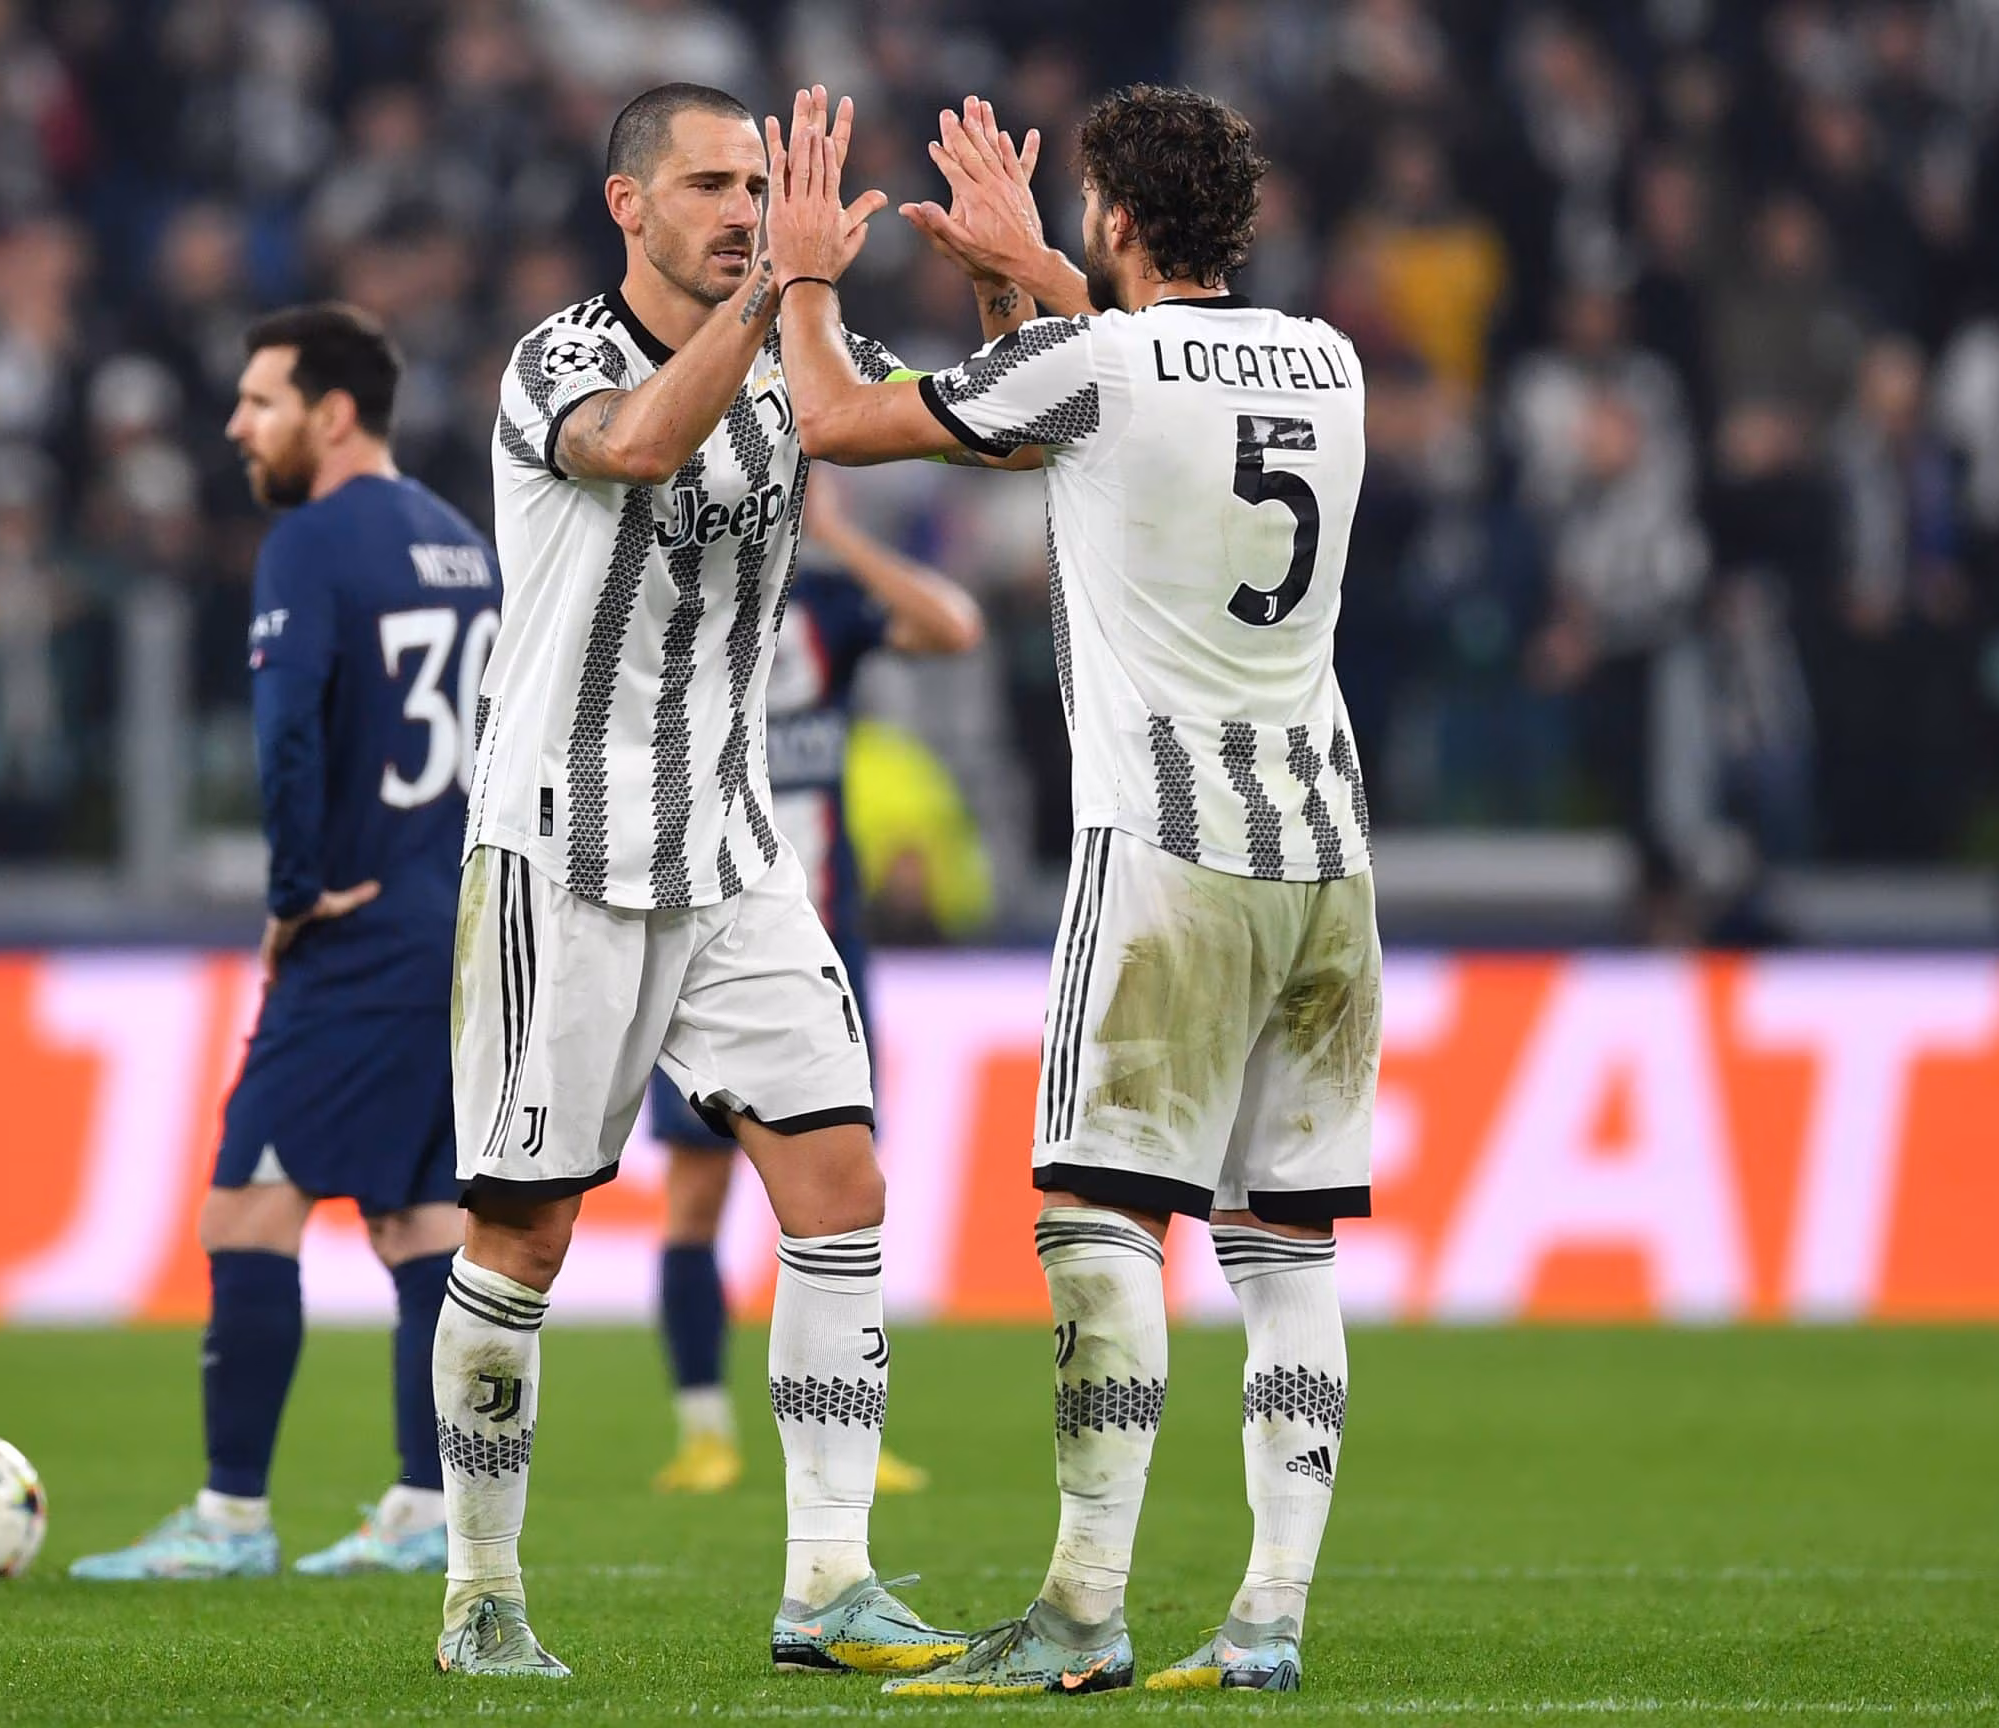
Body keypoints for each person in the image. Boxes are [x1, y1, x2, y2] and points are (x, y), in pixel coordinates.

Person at [771, 86, 1380, 1695]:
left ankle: (1085, 1607)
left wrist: (808, 276)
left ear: (1112, 218)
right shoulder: (1329, 360)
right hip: (1328, 856)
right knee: (1285, 1255)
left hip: (1171, 856)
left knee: (1099, 1222)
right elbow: (1116, 402)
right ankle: (1267, 1622)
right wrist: (1025, 281)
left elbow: (835, 420)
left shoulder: (1098, 364)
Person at [429, 82, 1005, 1681]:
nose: (745, 209)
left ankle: (830, 1582)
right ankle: (481, 1592)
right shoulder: (557, 359)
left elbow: (999, 428)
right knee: (524, 1236)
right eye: (710, 185)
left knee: (841, 1189)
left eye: (761, 184)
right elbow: (634, 445)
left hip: (737, 850)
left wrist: (1014, 288)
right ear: (629, 205)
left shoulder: (801, 348)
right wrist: (779, 298)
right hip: (564, 849)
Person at [70, 303, 501, 1581]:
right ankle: (425, 1508)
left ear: (332, 412)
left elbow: (287, 731)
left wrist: (294, 890)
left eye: (259, 402)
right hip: (459, 922)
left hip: (358, 930)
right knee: (420, 1218)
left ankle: (231, 1519)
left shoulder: (310, 541)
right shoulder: (462, 542)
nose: (235, 426)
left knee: (247, 1207)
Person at [647, 476, 982, 1497]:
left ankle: (851, 1427)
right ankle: (704, 1430)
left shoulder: (831, 607)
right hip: (706, 945)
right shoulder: (681, 600)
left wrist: (837, 536)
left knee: (841, 1193)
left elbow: (954, 628)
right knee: (697, 1195)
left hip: (827, 948)